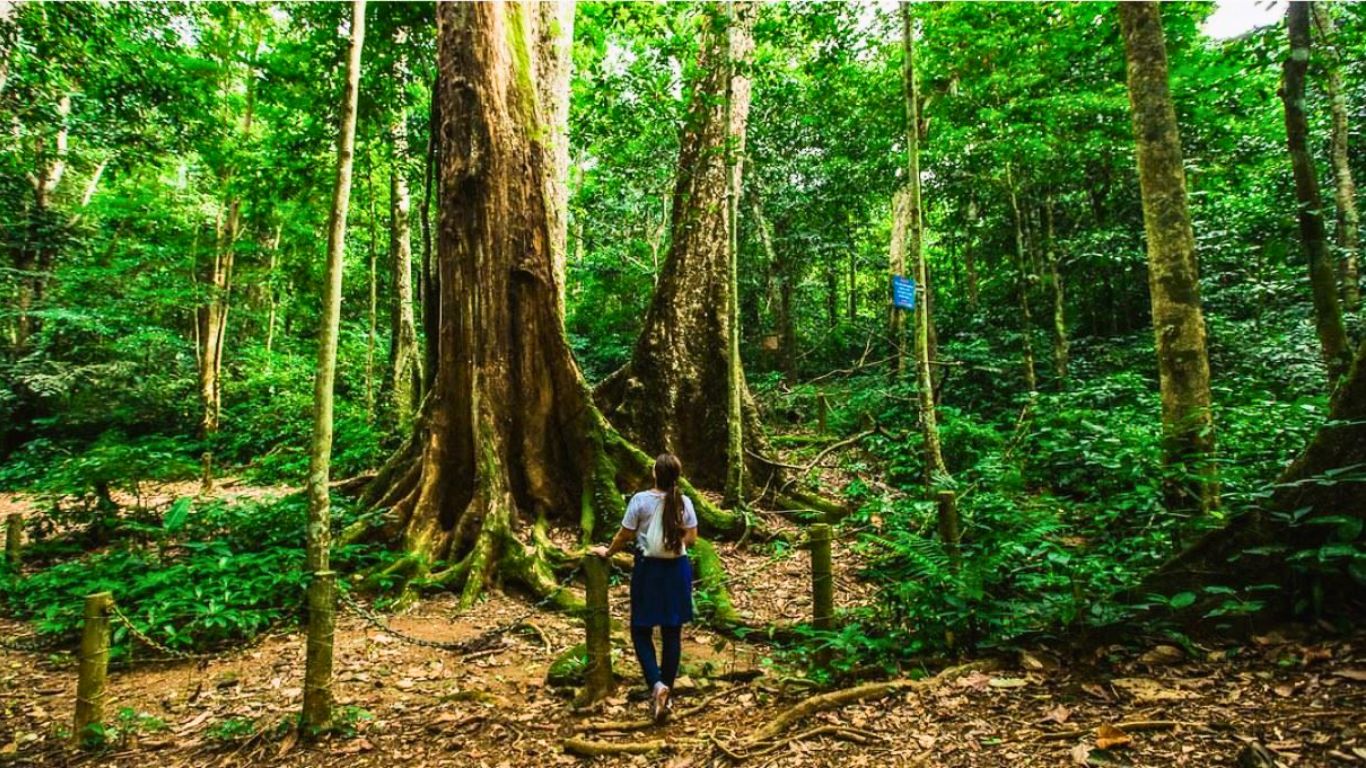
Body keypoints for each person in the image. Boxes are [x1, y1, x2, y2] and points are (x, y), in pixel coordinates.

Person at [590, 453, 698, 723]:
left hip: (648, 571)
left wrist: (609, 551)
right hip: (677, 570)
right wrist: (672, 540)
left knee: (640, 629)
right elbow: (692, 538)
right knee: (672, 631)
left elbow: (624, 535)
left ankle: (656, 685)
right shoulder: (684, 502)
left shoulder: (640, 501)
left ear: (655, 474)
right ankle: (667, 690)